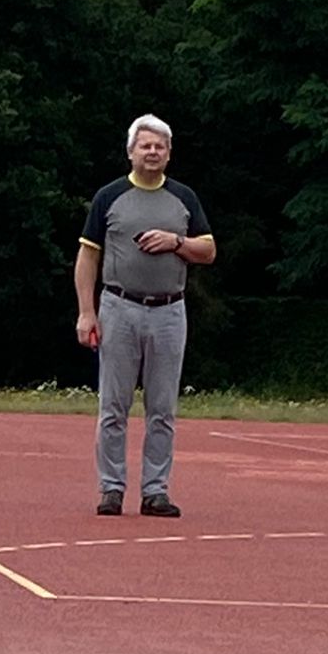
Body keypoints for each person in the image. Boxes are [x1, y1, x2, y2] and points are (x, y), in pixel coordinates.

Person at [75, 114, 215, 518]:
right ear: (131, 151)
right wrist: (87, 312)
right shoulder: (110, 196)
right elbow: (87, 256)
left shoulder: (184, 198)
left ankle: (155, 490)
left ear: (169, 154)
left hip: (169, 310)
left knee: (162, 408)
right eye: (145, 145)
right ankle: (111, 489)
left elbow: (208, 251)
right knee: (113, 406)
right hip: (119, 307)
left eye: (159, 146)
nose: (152, 152)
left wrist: (176, 242)